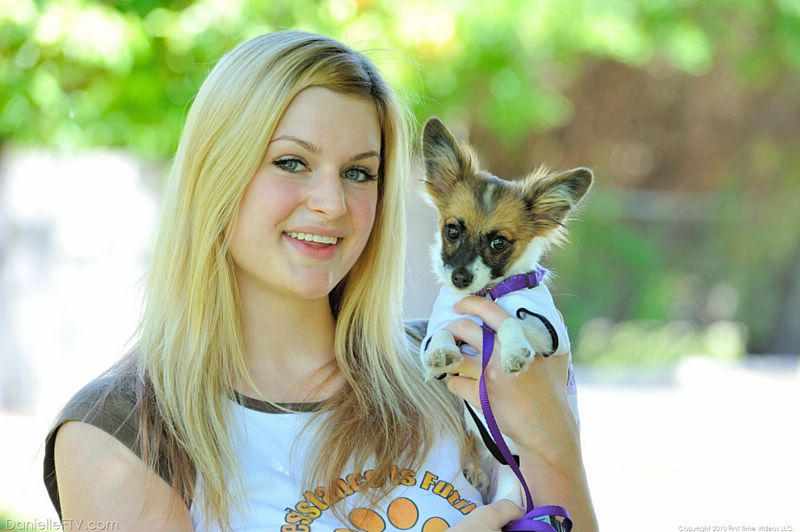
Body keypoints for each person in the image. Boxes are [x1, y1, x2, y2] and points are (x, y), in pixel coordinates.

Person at [42, 30, 598, 531]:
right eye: (291, 162)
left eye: (359, 172)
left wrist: (553, 446)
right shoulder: (120, 432)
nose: (332, 203)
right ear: (216, 171)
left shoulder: (458, 366)